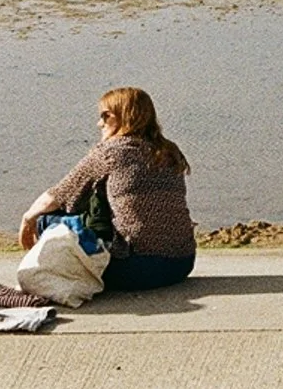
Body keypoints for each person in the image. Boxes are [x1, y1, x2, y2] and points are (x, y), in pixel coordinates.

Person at [19, 87, 196, 293]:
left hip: (136, 270)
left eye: (106, 116)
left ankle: (55, 270)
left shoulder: (112, 152)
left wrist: (28, 218)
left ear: (126, 116)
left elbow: (59, 194)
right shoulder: (170, 151)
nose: (99, 123)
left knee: (46, 219)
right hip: (182, 264)